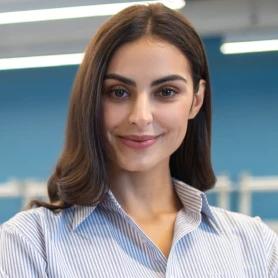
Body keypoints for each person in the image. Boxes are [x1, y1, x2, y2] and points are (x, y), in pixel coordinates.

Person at [0, 3, 277, 278]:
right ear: (91, 99)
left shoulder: (255, 247)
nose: (141, 117)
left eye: (166, 91)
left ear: (196, 100)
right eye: (118, 92)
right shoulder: (29, 244)